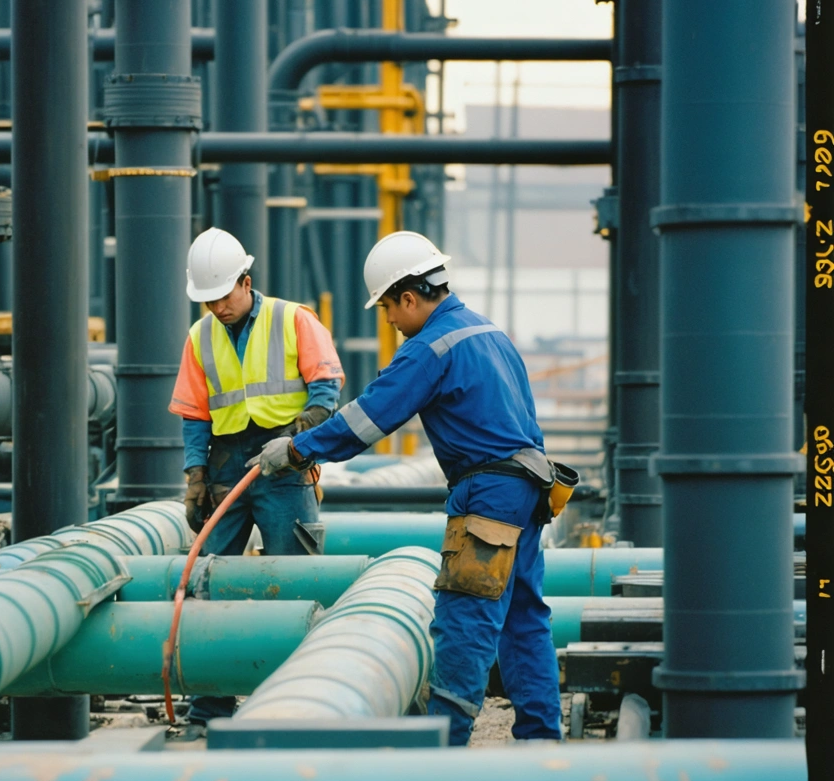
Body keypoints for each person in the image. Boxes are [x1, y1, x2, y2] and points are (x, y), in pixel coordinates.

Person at [248, 230, 563, 746]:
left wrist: (298, 449)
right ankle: (541, 742)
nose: (390, 321)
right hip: (529, 489)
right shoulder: (487, 332)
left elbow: (368, 419)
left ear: (411, 298)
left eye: (390, 309)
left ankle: (442, 746)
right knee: (524, 618)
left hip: (486, 497)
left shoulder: (428, 348)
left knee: (465, 619)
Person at [169, 226, 345, 725]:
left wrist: (298, 440)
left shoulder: (294, 320)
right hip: (226, 466)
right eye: (208, 301)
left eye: (223, 297)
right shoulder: (199, 336)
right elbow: (195, 414)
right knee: (206, 582)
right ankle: (209, 703)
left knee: (294, 582)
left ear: (246, 282)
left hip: (286, 463)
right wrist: (195, 474)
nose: (217, 308)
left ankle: (295, 701)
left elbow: (326, 389)